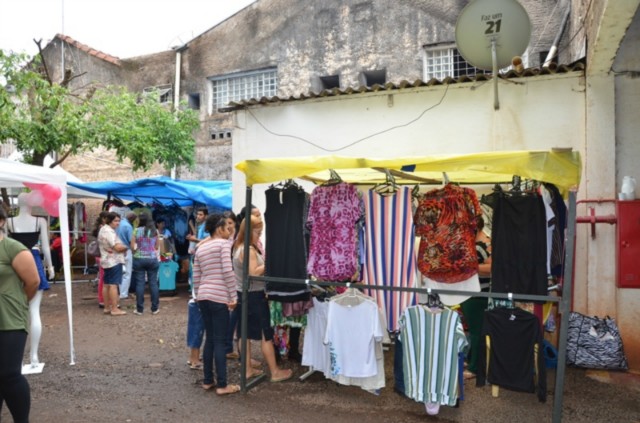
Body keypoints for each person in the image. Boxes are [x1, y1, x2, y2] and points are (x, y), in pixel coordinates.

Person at [233, 215, 293, 383]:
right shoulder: (249, 250)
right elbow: (253, 273)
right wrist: (271, 263)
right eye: (258, 232)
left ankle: (247, 370)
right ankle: (275, 372)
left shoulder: (239, 247)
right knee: (265, 334)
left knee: (244, 334)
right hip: (253, 295)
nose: (259, 235)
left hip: (243, 294)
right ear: (250, 231)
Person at [0, 206, 40, 423]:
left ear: (1, 221)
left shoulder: (13, 248)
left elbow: (33, 282)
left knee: (9, 374)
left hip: (9, 318)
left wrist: (17, 302)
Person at [7, 192, 55, 369]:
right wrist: (50, 267)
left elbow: (4, 244)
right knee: (34, 312)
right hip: (33, 261)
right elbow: (46, 248)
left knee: (16, 313)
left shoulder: (9, 222)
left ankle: (17, 358)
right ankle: (34, 357)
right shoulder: (39, 221)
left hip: (14, 262)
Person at [192, 214, 239, 395]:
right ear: (219, 229)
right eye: (227, 228)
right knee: (220, 341)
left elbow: (196, 275)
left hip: (203, 296)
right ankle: (222, 385)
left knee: (210, 339)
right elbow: (228, 270)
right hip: (219, 297)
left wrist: (198, 294)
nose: (230, 231)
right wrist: (233, 296)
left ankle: (207, 381)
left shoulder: (201, 248)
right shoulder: (223, 244)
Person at [460, 214, 491, 378]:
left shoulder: (484, 244)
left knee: (477, 330)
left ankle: (474, 368)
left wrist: (471, 267)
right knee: (473, 329)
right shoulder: (478, 243)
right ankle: (472, 360)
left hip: (479, 293)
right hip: (473, 292)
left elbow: (493, 267)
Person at [98, 212, 128, 316]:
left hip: (106, 260)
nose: (118, 223)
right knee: (113, 285)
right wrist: (127, 246)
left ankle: (107, 307)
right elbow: (117, 247)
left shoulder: (103, 229)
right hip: (113, 260)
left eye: (119, 220)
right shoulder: (109, 231)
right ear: (109, 221)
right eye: (115, 221)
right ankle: (114, 308)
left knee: (106, 285)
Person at [131, 212, 160, 316]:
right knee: (153, 283)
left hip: (139, 259)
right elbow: (157, 247)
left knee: (140, 284)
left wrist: (136, 252)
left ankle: (139, 309)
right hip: (152, 259)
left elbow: (132, 246)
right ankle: (155, 308)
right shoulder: (154, 231)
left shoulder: (136, 231)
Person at [116, 212, 136, 300]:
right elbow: (131, 242)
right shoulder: (128, 227)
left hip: (117, 250)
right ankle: (124, 294)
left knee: (120, 272)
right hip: (126, 250)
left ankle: (120, 291)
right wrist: (134, 251)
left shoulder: (118, 224)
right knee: (127, 273)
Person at [92, 211, 109, 308]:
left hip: (100, 255)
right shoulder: (103, 228)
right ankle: (102, 300)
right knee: (103, 278)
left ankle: (103, 299)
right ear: (103, 218)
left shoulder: (100, 228)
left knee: (102, 277)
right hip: (103, 255)